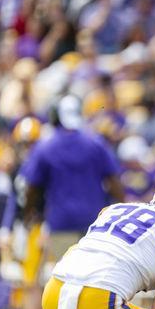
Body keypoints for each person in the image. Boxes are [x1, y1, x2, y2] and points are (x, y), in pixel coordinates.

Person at [22, 95, 124, 273]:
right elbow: (114, 181)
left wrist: (29, 212)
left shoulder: (46, 146)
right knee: (93, 275)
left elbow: (32, 186)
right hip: (94, 221)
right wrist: (122, 207)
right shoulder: (95, 143)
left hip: (61, 222)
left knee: (68, 276)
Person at [0, 116, 48, 309]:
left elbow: (51, 199)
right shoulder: (17, 168)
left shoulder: (46, 167)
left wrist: (48, 224)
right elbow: (12, 200)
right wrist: (6, 228)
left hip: (39, 224)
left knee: (42, 276)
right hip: (22, 228)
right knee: (27, 277)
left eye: (31, 143)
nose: (27, 148)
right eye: (24, 143)